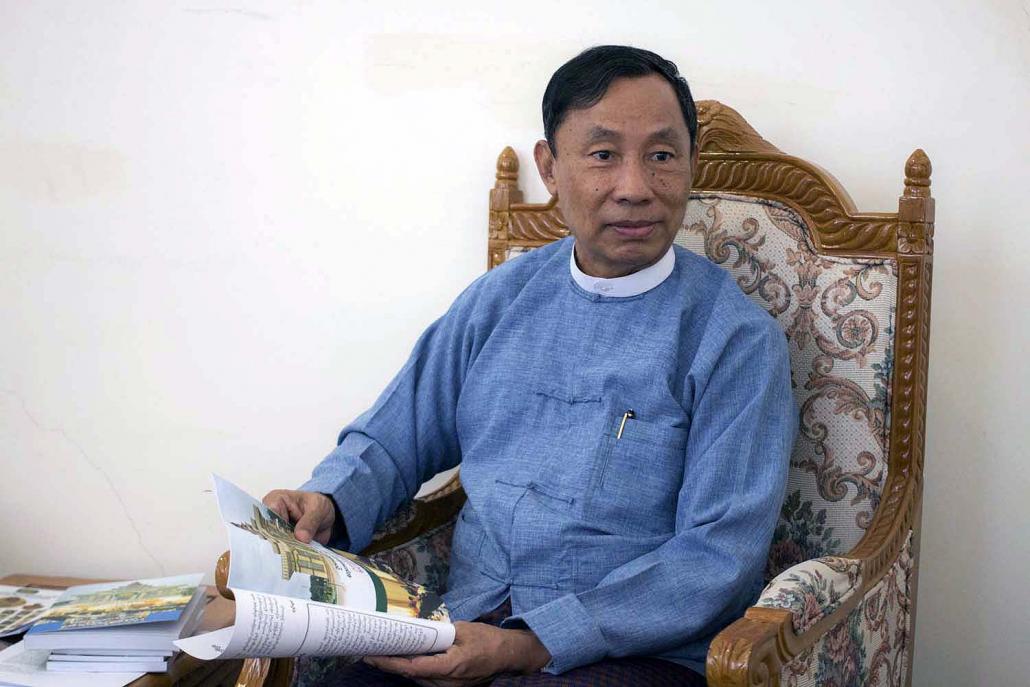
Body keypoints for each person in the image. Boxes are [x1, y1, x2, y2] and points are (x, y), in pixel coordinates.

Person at [263, 45, 796, 686]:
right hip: (464, 623)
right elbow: (394, 434)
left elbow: (716, 557)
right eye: (603, 155)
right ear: (549, 166)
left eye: (661, 156)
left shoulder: (733, 340)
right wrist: (326, 500)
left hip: (629, 656)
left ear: (690, 165)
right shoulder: (500, 298)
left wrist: (526, 645)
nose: (635, 188)